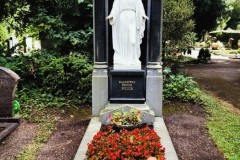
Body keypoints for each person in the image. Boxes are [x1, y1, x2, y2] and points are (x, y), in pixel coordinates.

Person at [106, 0, 148, 66]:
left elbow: (140, 7)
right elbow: (115, 7)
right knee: (123, 39)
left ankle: (133, 59)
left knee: (133, 41)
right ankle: (121, 59)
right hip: (122, 19)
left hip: (133, 19)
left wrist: (142, 15)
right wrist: (112, 15)